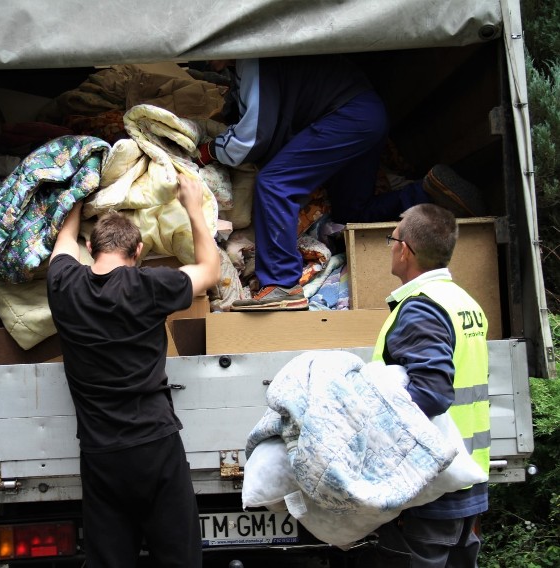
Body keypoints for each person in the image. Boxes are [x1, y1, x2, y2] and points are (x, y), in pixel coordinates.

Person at [197, 55, 485, 311]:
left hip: (346, 116)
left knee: (274, 183)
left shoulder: (253, 60)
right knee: (352, 214)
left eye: (209, 54)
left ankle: (282, 283)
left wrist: (210, 151)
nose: (208, 61)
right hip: (367, 116)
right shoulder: (245, 69)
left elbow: (253, 136)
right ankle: (427, 194)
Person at [46, 174, 220, 567]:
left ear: (90, 248)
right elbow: (210, 271)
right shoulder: (149, 286)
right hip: (154, 444)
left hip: (100, 452)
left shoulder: (64, 284)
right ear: (139, 250)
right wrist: (193, 206)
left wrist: (76, 202)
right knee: (179, 558)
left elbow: (62, 243)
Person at [370, 203, 490, 567]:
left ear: (404, 250)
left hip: (429, 488)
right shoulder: (462, 302)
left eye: (391, 239)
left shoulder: (422, 309)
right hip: (464, 479)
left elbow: (430, 392)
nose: (390, 246)